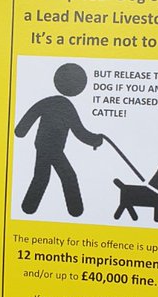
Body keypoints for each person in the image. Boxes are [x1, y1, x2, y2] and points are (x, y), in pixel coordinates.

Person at [15, 62, 102, 216]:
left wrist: (21, 131)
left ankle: (28, 207)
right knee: (67, 175)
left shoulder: (52, 102)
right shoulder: (65, 106)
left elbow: (33, 114)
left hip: (43, 144)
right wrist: (94, 140)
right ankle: (75, 210)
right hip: (51, 147)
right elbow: (79, 131)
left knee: (42, 176)